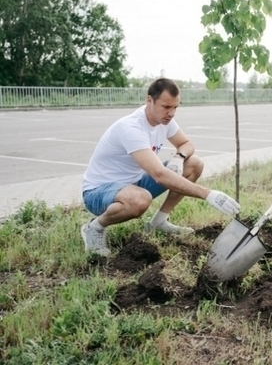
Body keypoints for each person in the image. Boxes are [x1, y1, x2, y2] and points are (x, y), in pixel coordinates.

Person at [80, 78, 240, 256]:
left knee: (194, 164)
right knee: (140, 199)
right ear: (150, 101)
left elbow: (186, 144)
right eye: (166, 107)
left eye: (175, 108)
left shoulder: (165, 121)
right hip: (98, 192)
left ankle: (159, 222)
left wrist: (179, 157)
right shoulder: (131, 128)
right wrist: (209, 194)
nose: (171, 113)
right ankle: (94, 227)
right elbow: (158, 174)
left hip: (134, 182)